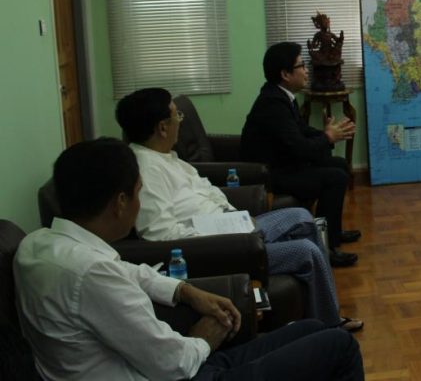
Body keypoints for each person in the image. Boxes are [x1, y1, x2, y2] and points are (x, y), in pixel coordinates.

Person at [14, 138, 364, 381]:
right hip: (183, 373)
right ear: (120, 203)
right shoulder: (92, 275)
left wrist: (184, 290)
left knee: (314, 328)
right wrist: (205, 338)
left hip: (174, 364)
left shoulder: (38, 244)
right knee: (340, 346)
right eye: (137, 194)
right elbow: (174, 364)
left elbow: (129, 272)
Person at [115, 87, 363, 332]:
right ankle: (330, 323)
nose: (180, 121)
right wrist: (225, 231)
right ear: (162, 128)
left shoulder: (166, 157)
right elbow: (161, 235)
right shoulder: (147, 171)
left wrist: (236, 217)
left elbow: (208, 191)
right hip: (221, 246)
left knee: (302, 217)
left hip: (234, 227)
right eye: (177, 116)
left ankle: (319, 317)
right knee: (306, 251)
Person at [241, 42, 360, 267]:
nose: (307, 71)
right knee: (335, 177)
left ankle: (333, 232)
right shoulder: (273, 104)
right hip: (271, 175)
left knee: (339, 164)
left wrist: (325, 134)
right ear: (285, 74)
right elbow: (299, 147)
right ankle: (325, 247)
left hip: (285, 163)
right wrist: (328, 138)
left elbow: (300, 131)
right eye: (302, 66)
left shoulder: (280, 96)